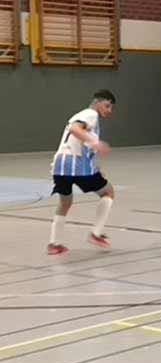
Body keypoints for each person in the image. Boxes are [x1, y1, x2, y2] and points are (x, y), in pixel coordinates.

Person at [47, 90, 116, 255]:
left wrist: (96, 168)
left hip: (60, 167)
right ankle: (96, 234)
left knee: (65, 202)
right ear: (97, 103)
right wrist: (96, 142)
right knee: (108, 192)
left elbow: (82, 144)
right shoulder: (91, 114)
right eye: (107, 106)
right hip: (76, 166)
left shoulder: (86, 118)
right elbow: (75, 129)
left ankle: (54, 244)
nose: (109, 111)